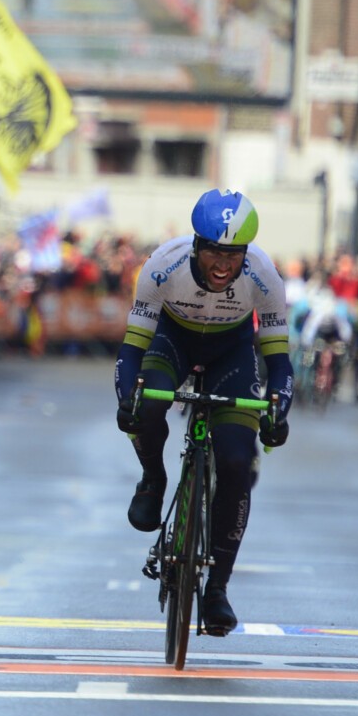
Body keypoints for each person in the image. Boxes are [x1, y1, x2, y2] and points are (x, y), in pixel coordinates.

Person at [115, 190, 292, 637]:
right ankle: (153, 477)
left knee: (236, 460)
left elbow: (280, 363)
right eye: (213, 249)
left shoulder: (264, 276)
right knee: (150, 400)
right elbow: (132, 351)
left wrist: (277, 410)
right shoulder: (162, 265)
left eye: (232, 254)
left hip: (231, 352)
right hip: (171, 341)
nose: (221, 263)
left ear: (246, 254)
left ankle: (217, 588)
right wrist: (127, 400)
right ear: (196, 245)